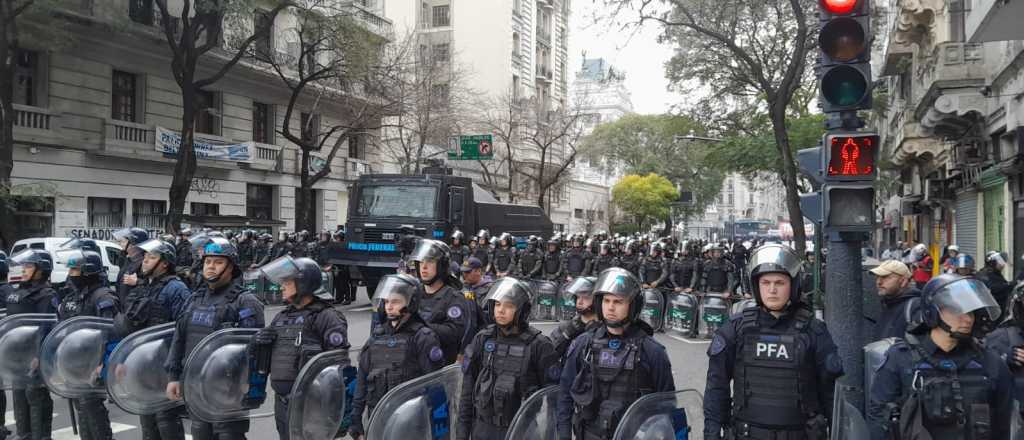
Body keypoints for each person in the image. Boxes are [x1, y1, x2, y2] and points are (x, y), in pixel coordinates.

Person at [703, 244, 843, 440]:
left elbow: (830, 395)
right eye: (765, 283)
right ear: (756, 286)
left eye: (780, 283)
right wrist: (711, 434)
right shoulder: (736, 329)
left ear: (793, 285)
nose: (772, 290)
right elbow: (717, 388)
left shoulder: (814, 331)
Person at [867, 274, 1012, 440]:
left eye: (971, 312)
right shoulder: (900, 358)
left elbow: (1002, 425)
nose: (967, 319)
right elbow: (879, 419)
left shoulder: (989, 362)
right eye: (958, 309)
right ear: (933, 311)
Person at [164, 237, 265, 440]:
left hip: (228, 388)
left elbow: (255, 351)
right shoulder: (194, 298)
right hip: (195, 385)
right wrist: (173, 377)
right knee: (200, 434)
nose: (211, 266)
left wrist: (251, 385)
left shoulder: (245, 301)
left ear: (231, 268)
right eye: (208, 262)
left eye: (218, 262)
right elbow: (179, 338)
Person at [557, 268, 675, 440]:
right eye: (606, 300)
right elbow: (565, 394)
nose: (610, 308)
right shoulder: (584, 344)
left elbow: (668, 406)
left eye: (618, 302)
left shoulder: (652, 352)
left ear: (633, 305)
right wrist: (564, 434)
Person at [251, 256, 349, 440]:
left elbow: (339, 367)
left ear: (304, 283)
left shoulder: (327, 316)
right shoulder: (281, 317)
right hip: (282, 402)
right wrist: (256, 344)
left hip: (312, 404)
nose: (282, 286)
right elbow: (265, 360)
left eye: (287, 281)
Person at [458, 277, 559, 439]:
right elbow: (467, 394)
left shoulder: (539, 345)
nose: (500, 310)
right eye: (497, 304)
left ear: (522, 310)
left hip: (521, 431)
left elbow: (554, 400)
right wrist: (461, 435)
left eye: (509, 305)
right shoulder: (483, 339)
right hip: (482, 430)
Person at [348, 274, 446, 440]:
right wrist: (356, 419)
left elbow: (435, 386)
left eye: (395, 302)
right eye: (386, 301)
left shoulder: (423, 337)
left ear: (410, 303)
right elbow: (362, 380)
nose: (389, 307)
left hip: (410, 421)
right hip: (377, 417)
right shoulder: (376, 337)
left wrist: (440, 431)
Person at [115, 239, 190, 440]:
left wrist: (176, 373)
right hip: (142, 366)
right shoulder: (144, 287)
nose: (145, 262)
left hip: (164, 366)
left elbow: (182, 334)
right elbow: (133, 327)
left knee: (166, 421)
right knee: (148, 423)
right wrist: (123, 360)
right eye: (145, 258)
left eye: (151, 258)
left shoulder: (177, 289)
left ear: (164, 263)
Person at [54, 248, 121, 440]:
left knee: (92, 407)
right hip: (75, 362)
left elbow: (111, 334)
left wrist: (103, 364)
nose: (70, 275)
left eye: (74, 271)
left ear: (88, 272)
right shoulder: (72, 296)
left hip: (93, 363)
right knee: (81, 407)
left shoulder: (103, 297)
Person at [6, 250, 57, 440]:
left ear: (41, 269)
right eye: (24, 266)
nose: (24, 270)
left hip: (34, 355)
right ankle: (24, 434)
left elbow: (46, 326)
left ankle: (41, 437)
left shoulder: (46, 294)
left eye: (29, 266)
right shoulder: (18, 291)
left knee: (36, 396)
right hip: (17, 354)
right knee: (19, 395)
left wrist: (39, 355)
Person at [409, 239, 474, 363]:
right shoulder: (412, 293)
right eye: (421, 262)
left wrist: (419, 326)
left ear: (441, 265)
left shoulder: (454, 297)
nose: (424, 267)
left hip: (439, 364)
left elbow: (454, 333)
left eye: (430, 261)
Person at [549, 276, 601, 360]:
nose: (580, 302)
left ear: (597, 301)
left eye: (586, 298)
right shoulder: (567, 327)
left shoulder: (606, 329)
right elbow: (548, 356)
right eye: (578, 297)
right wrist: (566, 335)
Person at [870, 260, 919, 340]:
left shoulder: (915, 307)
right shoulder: (888, 303)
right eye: (877, 277)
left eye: (885, 277)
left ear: (903, 281)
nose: (879, 282)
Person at [113, 227, 150, 302]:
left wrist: (137, 282)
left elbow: (152, 287)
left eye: (124, 241)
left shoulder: (145, 263)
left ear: (133, 244)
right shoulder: (128, 260)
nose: (120, 243)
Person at [460, 257, 494, 327]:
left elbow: (488, 317)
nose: (465, 275)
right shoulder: (465, 287)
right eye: (463, 272)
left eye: (468, 272)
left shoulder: (490, 289)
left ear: (478, 271)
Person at [978, 251, 1013, 316]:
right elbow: (994, 288)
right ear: (992, 263)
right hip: (991, 314)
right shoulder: (985, 275)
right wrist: (1011, 284)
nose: (1002, 265)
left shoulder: (996, 274)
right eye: (999, 261)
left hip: (1000, 310)